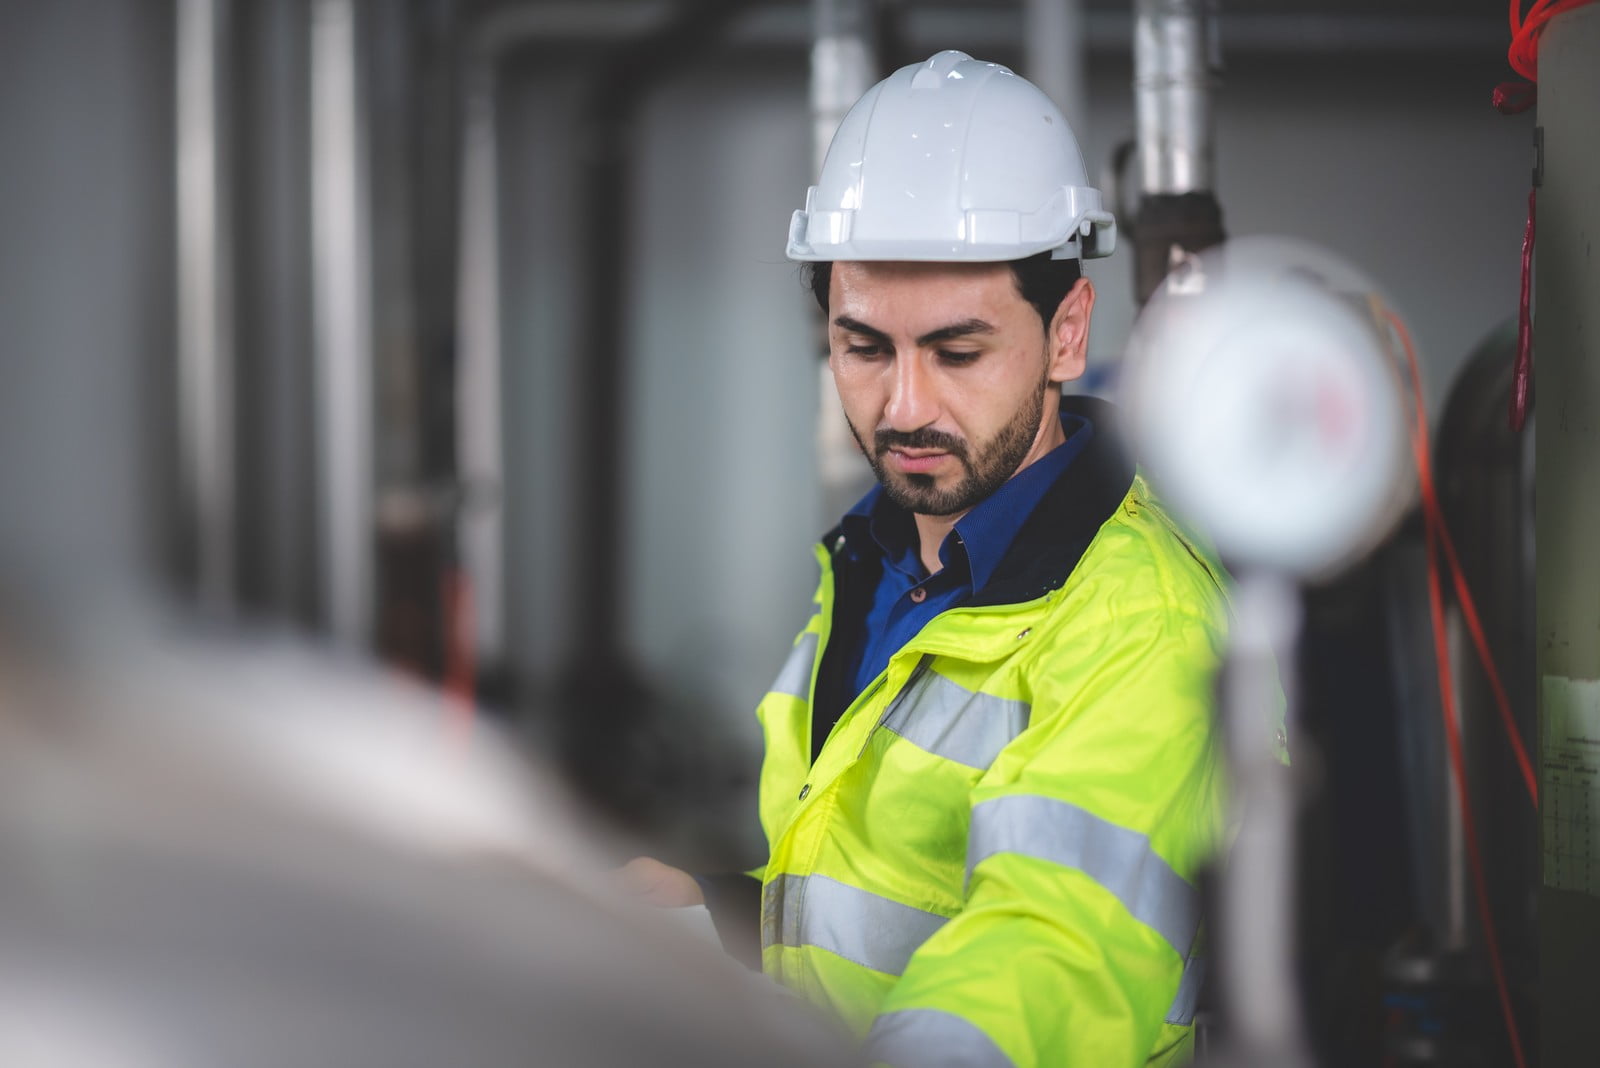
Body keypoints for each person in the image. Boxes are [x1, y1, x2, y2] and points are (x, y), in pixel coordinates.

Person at [626, 50, 1232, 1067]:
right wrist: (717, 916)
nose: (903, 408)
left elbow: (1043, 960)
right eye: (864, 348)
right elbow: (881, 905)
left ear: (1068, 332)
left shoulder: (1144, 631)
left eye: (957, 353)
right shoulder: (879, 561)